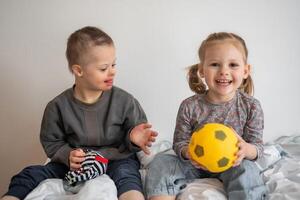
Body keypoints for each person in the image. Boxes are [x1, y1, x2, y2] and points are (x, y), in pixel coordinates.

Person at [2, 26, 157, 200]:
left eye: (114, 64)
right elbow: (51, 142)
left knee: (128, 176)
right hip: (76, 164)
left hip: (115, 160)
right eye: (104, 68)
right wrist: (68, 156)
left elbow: (137, 132)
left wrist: (133, 138)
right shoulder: (57, 106)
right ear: (79, 70)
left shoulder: (125, 101)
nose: (113, 71)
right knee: (30, 174)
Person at [145, 32, 267, 200]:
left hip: (232, 164)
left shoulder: (251, 106)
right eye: (215, 64)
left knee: (248, 169)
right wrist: (188, 152)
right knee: (162, 162)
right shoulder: (189, 106)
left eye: (233, 65)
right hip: (195, 164)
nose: (224, 71)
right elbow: (179, 142)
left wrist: (246, 150)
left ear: (246, 71)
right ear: (202, 71)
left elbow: (258, 148)